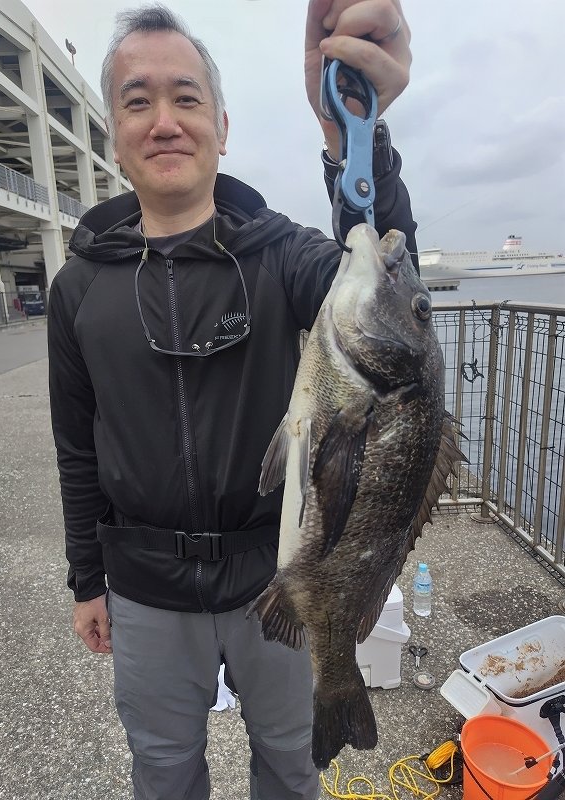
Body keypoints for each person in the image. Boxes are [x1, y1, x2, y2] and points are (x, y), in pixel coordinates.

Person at [47, 2, 417, 798]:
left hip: (275, 577)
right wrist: (87, 581)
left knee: (290, 765)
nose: (164, 121)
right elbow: (77, 446)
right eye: (138, 101)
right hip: (143, 588)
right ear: (114, 132)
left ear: (221, 125)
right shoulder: (76, 288)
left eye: (186, 98)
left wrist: (357, 141)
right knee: (163, 769)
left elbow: (389, 297)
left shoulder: (284, 255)